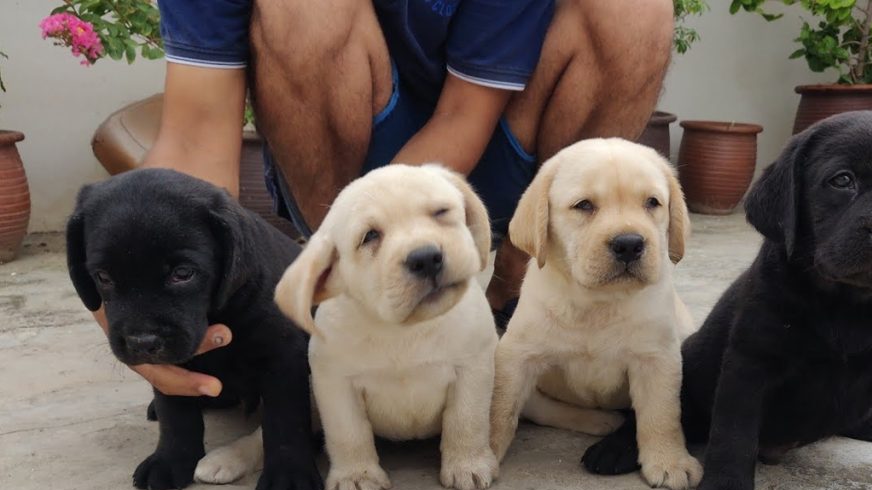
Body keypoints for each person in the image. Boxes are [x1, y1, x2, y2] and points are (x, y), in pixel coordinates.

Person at [91, 0, 674, 397]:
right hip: (333, 154)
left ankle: (522, 302)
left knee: (632, 9)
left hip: (485, 136)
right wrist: (122, 293)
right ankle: (338, 303)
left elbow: (464, 116)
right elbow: (196, 133)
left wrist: (403, 238)